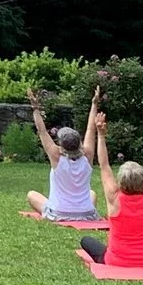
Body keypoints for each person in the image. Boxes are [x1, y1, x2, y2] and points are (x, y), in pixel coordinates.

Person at [80, 105, 143, 268]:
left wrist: (101, 135)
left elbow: (104, 165)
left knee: (85, 240)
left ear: (120, 182)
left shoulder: (114, 197)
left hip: (117, 261)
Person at [23, 86, 102, 221]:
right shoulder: (87, 155)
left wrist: (35, 108)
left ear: (61, 145)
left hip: (59, 214)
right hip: (87, 214)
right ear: (79, 143)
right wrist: (94, 104)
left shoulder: (56, 157)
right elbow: (91, 128)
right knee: (92, 193)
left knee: (31, 195)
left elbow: (41, 130)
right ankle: (81, 212)